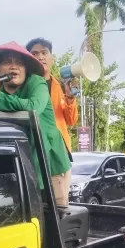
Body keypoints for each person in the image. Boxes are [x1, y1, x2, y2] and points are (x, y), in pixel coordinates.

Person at [0, 42, 71, 205]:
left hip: (48, 164)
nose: (14, 67)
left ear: (26, 69)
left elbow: (33, 107)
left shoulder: (37, 83)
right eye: (7, 62)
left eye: (19, 63)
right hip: (19, 167)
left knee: (56, 217)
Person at [26, 37, 78, 167]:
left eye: (44, 53)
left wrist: (70, 98)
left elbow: (71, 121)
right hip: (32, 151)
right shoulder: (23, 84)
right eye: (34, 54)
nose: (40, 57)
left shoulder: (61, 86)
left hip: (59, 152)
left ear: (52, 59)